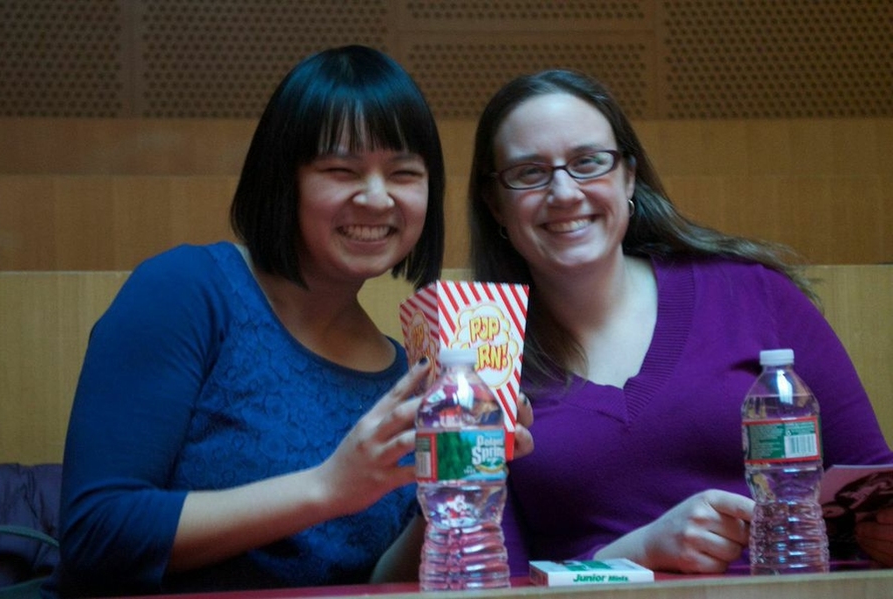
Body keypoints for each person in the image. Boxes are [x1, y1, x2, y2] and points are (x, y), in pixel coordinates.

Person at [48, 45, 532, 597]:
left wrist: (449, 492)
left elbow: (370, 583)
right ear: (285, 181)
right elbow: (96, 534)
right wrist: (329, 487)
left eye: (404, 173)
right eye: (340, 169)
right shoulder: (189, 291)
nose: (377, 198)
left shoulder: (405, 371)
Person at [466, 68, 893, 575]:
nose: (564, 192)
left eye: (588, 163)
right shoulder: (481, 357)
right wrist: (635, 554)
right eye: (529, 173)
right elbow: (492, 576)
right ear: (496, 203)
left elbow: (870, 488)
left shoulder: (752, 293)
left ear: (629, 176)